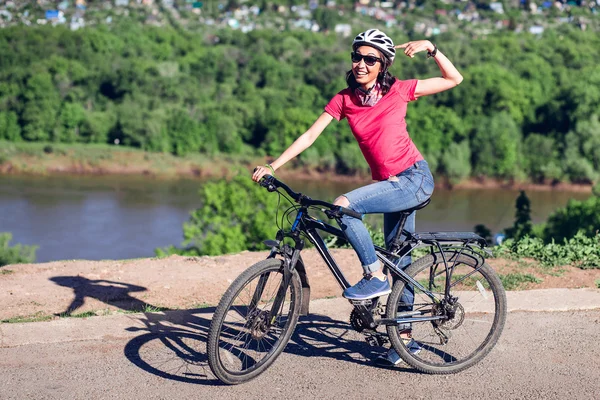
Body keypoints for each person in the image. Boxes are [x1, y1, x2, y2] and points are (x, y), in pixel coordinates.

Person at [252, 29, 463, 365]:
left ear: (383, 64)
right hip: (390, 185)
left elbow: (454, 78)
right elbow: (310, 135)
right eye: (357, 57)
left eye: (370, 59)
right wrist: (273, 165)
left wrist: (432, 49)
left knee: (344, 206)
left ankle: (372, 276)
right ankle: (403, 341)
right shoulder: (344, 99)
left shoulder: (399, 90)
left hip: (414, 179)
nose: (361, 64)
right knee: (401, 259)